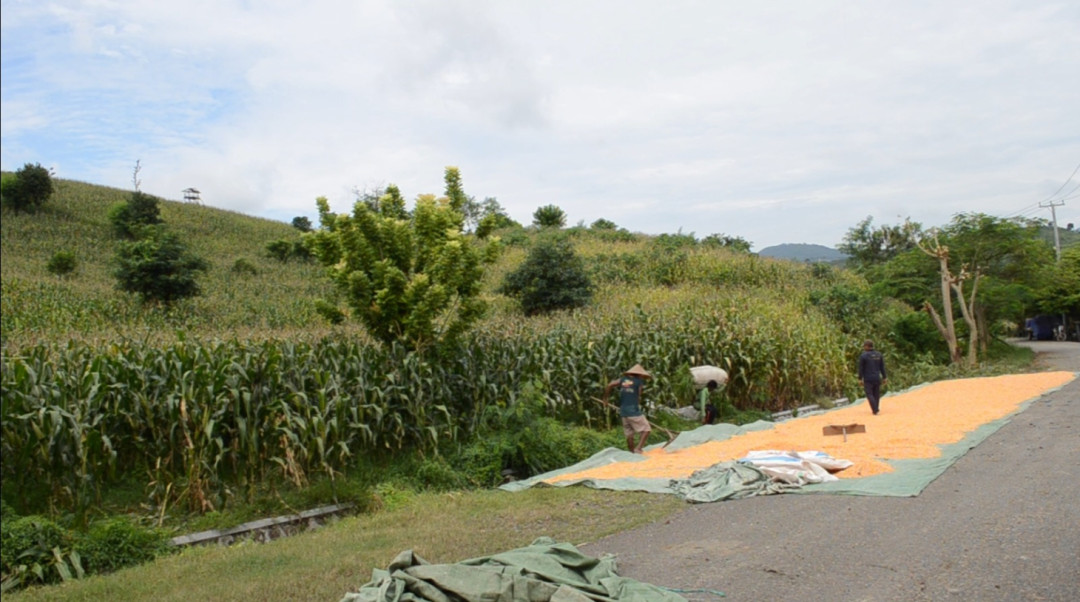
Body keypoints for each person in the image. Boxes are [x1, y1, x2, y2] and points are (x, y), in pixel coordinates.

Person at [604, 364, 652, 453]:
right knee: (646, 429)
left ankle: (631, 452)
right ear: (639, 374)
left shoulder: (623, 380)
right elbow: (638, 395)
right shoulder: (638, 381)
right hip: (633, 410)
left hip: (623, 411)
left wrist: (605, 399)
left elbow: (610, 385)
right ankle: (638, 448)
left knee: (629, 434)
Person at [857, 339, 887, 415]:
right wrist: (884, 377)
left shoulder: (863, 356)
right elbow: (882, 367)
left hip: (868, 378)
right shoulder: (879, 355)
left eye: (864, 346)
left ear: (867, 346)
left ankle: (875, 409)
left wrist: (860, 379)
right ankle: (876, 408)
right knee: (876, 394)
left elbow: (861, 368)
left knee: (869, 394)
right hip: (877, 377)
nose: (864, 347)